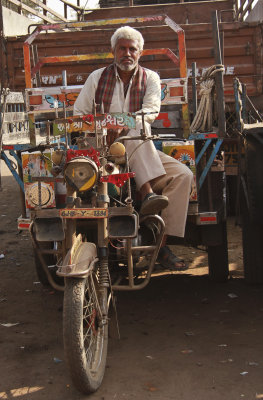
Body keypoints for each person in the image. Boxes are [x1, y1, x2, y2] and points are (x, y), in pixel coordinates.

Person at [74, 26, 193, 270]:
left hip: (138, 148)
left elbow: (150, 112)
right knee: (136, 126)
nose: (127, 53)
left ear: (140, 53)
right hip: (101, 150)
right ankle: (147, 191)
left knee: (183, 174)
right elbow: (79, 114)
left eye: (132, 49)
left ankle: (160, 244)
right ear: (113, 51)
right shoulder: (97, 78)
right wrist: (106, 129)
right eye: (122, 48)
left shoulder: (150, 78)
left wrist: (123, 124)